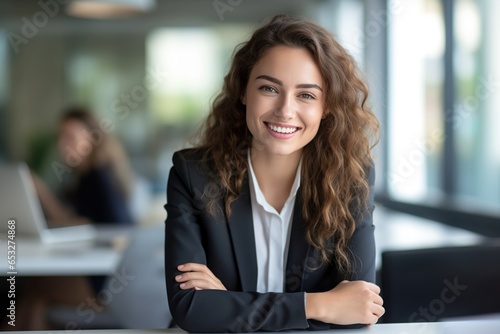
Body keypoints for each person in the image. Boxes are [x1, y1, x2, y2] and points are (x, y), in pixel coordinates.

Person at [164, 14, 383, 332]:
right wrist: (317, 305)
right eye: (269, 88)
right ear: (243, 92)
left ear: (327, 107)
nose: (285, 110)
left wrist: (230, 303)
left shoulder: (351, 178)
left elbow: (359, 308)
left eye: (306, 95)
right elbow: (190, 308)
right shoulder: (193, 175)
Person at [13, 107, 134, 330]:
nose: (62, 144)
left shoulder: (98, 178)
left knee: (38, 289)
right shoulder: (86, 176)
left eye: (70, 136)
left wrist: (38, 189)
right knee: (35, 291)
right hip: (103, 274)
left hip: (112, 283)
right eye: (60, 137)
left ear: (92, 138)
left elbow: (112, 227)